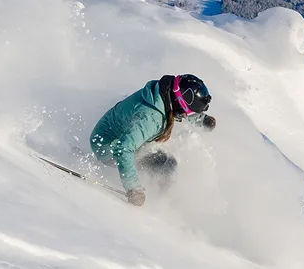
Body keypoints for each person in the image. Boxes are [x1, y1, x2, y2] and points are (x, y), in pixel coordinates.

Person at [90, 74, 216, 206]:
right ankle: (163, 203)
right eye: (190, 113)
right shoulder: (151, 119)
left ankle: (162, 194)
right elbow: (123, 148)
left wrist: (201, 120)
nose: (188, 116)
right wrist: (133, 188)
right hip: (107, 147)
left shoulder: (163, 93)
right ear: (179, 102)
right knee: (165, 164)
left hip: (116, 135)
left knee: (164, 160)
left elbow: (178, 107)